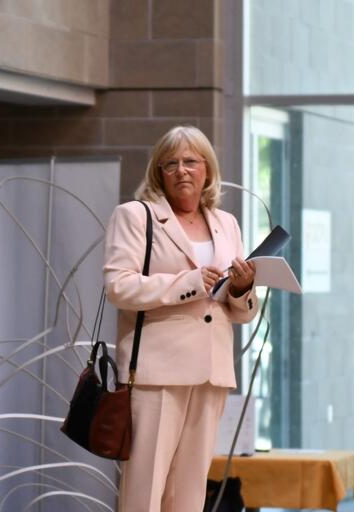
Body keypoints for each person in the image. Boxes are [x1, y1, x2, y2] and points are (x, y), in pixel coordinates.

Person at [103, 125, 259, 512]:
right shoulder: (136, 216)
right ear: (158, 172)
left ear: (207, 169)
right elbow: (118, 288)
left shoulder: (228, 224)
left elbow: (238, 311)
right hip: (157, 372)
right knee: (145, 491)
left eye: (190, 162)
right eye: (170, 163)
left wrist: (242, 289)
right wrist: (187, 283)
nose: (181, 170)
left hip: (211, 370)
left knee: (190, 493)